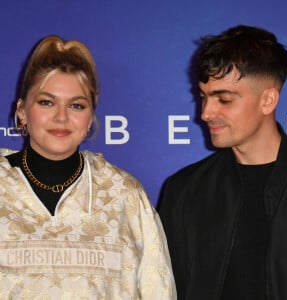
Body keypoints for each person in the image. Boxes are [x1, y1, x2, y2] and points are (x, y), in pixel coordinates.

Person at [0, 35, 176, 299]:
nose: (61, 116)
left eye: (76, 105)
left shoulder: (124, 195)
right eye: (46, 102)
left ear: (90, 116)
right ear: (23, 111)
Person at [159, 24, 287, 299]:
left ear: (268, 100)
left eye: (224, 99)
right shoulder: (185, 191)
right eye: (203, 97)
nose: (206, 113)